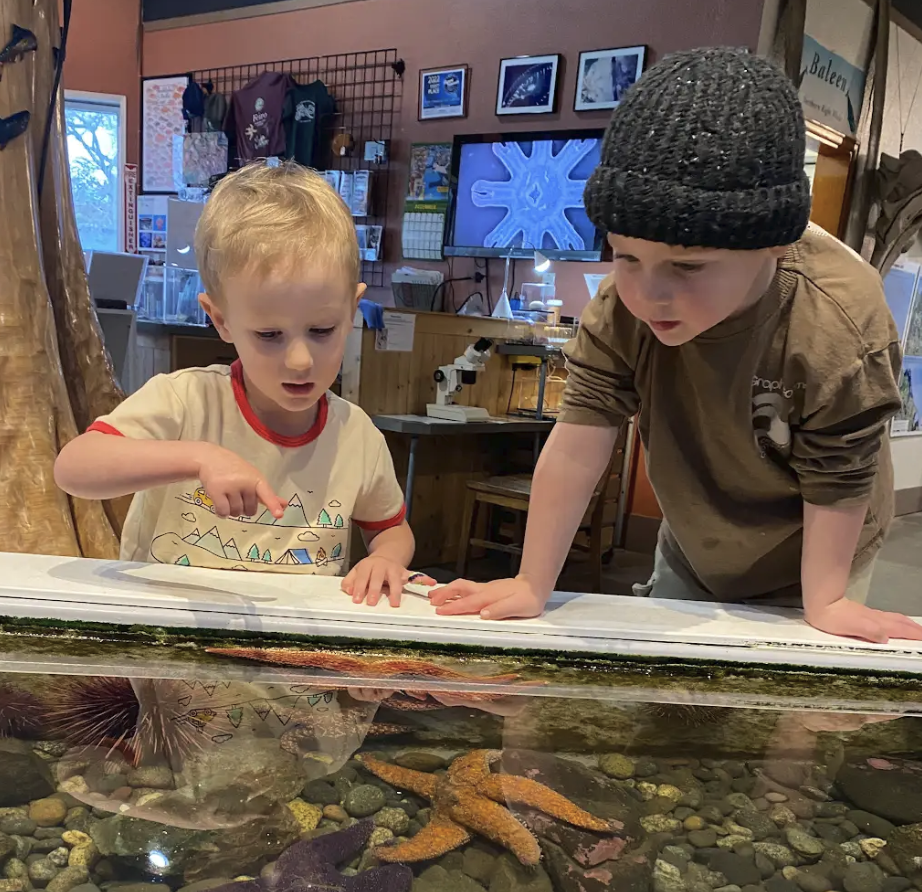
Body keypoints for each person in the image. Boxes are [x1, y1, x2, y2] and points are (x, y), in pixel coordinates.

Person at [430, 48, 922, 645]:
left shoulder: (838, 322)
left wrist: (826, 601)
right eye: (627, 256)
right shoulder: (621, 306)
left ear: (774, 246)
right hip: (695, 540)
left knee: (790, 718)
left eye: (687, 267)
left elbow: (840, 477)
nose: (649, 293)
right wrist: (533, 581)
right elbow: (579, 442)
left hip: (820, 549)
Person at [55, 161, 421, 605]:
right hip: (172, 643)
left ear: (351, 312)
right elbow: (74, 468)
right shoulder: (185, 401)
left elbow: (391, 530)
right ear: (221, 320)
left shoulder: (356, 436)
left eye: (322, 330)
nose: (301, 360)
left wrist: (386, 559)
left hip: (293, 651)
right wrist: (198, 458)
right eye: (269, 335)